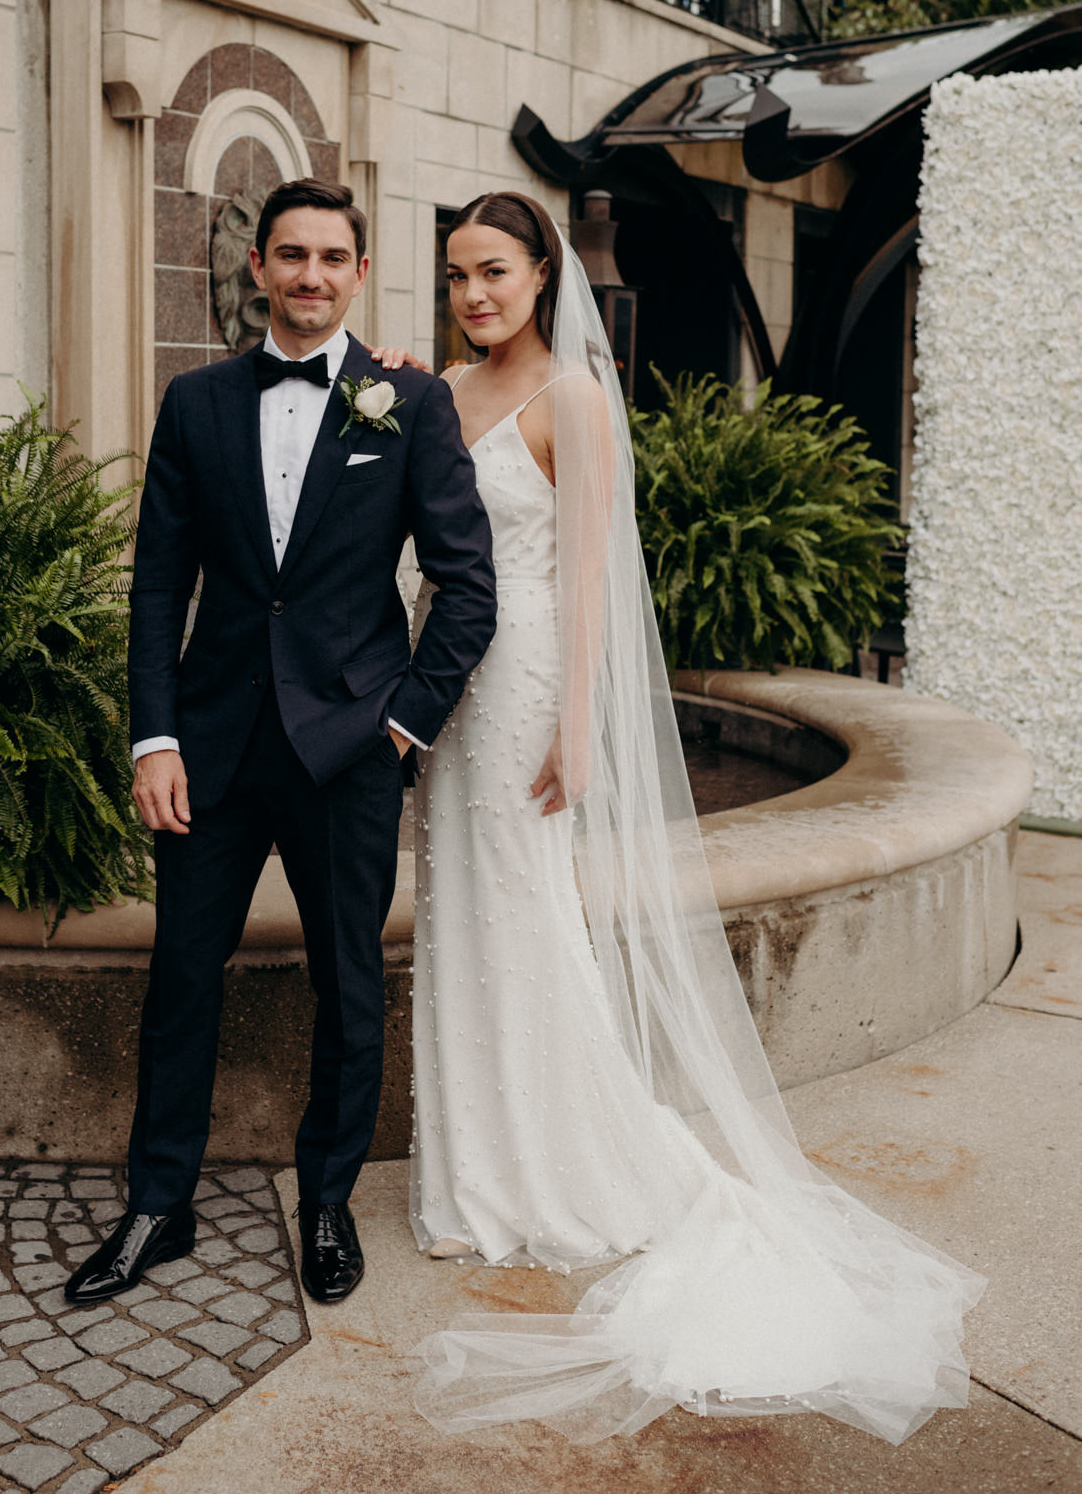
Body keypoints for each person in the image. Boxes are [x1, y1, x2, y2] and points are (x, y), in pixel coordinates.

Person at [402, 190, 983, 1448]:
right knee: (461, 911)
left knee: (529, 915)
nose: (473, 294)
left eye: (493, 272)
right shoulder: (442, 392)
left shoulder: (575, 397)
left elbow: (591, 570)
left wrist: (576, 723)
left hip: (529, 690)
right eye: (455, 274)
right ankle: (470, 1172)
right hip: (446, 688)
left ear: (540, 271)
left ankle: (559, 1165)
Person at [65, 178, 497, 1312]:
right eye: (290, 254)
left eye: (332, 256)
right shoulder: (195, 401)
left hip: (348, 746)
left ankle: (325, 1197)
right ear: (256, 265)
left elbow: (466, 586)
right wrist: (152, 736)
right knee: (178, 979)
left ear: (359, 272)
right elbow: (158, 583)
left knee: (350, 984)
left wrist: (402, 724)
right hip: (206, 745)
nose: (310, 274)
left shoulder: (405, 402)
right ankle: (158, 1200)